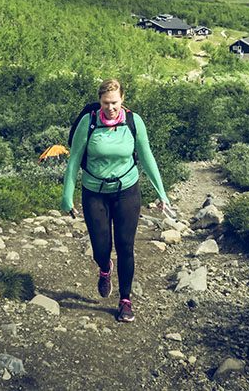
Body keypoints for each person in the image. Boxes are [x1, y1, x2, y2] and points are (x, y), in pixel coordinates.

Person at [60, 78, 172, 323]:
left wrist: (161, 193)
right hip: (94, 192)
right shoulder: (88, 122)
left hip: (126, 192)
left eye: (114, 102)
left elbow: (147, 157)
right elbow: (74, 160)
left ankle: (125, 301)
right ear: (99, 101)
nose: (110, 107)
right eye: (105, 103)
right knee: (100, 248)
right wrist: (66, 197)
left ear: (123, 100)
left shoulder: (134, 122)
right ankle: (104, 268)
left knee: (125, 247)